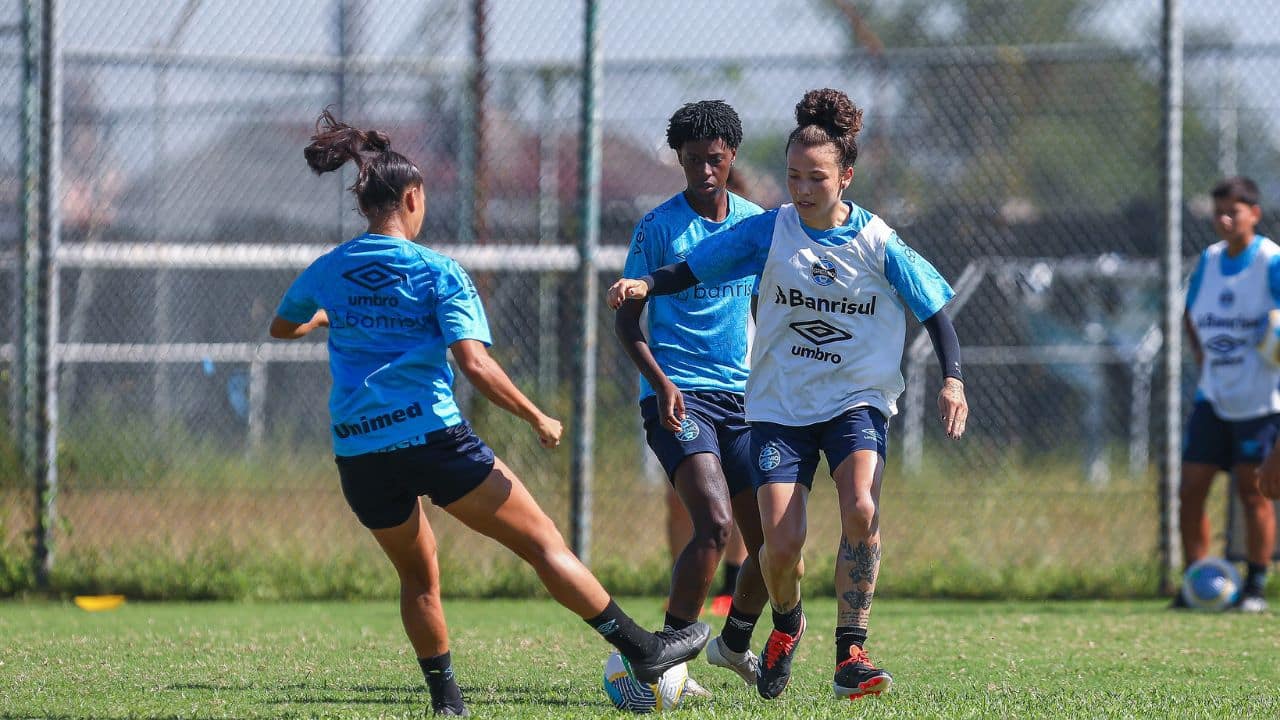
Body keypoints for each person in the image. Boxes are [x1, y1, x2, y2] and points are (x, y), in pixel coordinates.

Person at [270, 110, 709, 716]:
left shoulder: (331, 267)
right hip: (434, 439)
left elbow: (282, 324)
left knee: (419, 578)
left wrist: (330, 318)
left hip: (361, 449)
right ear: (412, 197)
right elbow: (474, 366)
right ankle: (643, 649)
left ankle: (447, 701)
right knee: (545, 548)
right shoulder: (438, 272)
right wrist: (537, 417)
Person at [607, 88, 968, 702]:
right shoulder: (762, 230)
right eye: (794, 176)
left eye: (816, 178)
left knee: (859, 507)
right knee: (773, 544)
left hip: (851, 398)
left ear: (846, 176)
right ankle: (761, 631)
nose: (802, 189)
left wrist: (954, 376)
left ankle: (848, 651)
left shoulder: (875, 241)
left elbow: (936, 308)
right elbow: (695, 269)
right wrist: (646, 283)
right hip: (773, 404)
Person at [616, 100, 771, 692]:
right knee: (711, 524)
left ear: (731, 157)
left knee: (773, 549)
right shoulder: (657, 229)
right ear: (678, 159)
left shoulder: (757, 225)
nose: (704, 171)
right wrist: (661, 383)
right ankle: (660, 664)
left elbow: (779, 307)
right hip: (679, 396)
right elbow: (626, 324)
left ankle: (733, 644)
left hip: (746, 402)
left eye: (715, 160)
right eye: (692, 161)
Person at [1178, 176, 1277, 613]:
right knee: (1190, 489)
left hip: (1261, 401)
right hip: (1213, 397)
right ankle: (1195, 581)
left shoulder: (1271, 261)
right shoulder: (1209, 260)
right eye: (1217, 210)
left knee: (1253, 491)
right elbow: (1190, 314)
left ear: (1253, 213)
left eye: (1232, 211)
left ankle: (1255, 584)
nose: (1223, 219)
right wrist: (1204, 359)